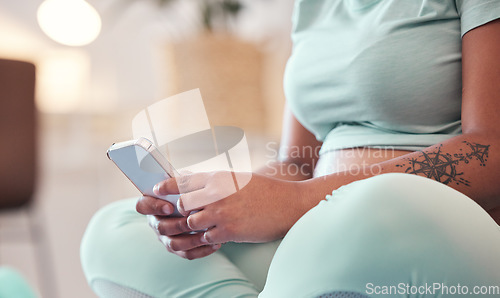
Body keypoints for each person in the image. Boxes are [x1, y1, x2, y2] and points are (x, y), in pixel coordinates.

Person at [81, 1, 500, 297]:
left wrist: (299, 202)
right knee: (116, 230)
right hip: (321, 224)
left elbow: (493, 148)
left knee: (377, 202)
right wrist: (219, 198)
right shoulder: (313, 5)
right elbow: (296, 164)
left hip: (418, 225)